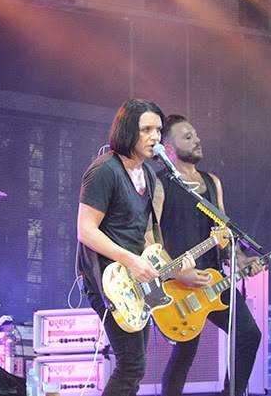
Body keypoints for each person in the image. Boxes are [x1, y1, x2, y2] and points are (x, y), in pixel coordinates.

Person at [76, 99, 196, 396]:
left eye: (158, 130)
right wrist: (130, 260)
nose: (155, 137)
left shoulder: (150, 176)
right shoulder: (105, 171)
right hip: (107, 276)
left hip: (135, 277)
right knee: (131, 364)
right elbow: (86, 230)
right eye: (147, 130)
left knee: (135, 366)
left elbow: (145, 235)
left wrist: (171, 265)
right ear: (128, 130)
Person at [153, 114, 263, 396]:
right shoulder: (160, 185)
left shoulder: (212, 182)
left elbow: (223, 232)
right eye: (188, 137)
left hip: (213, 279)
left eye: (196, 134)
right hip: (177, 285)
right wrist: (180, 272)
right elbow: (150, 238)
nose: (197, 140)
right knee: (186, 351)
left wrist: (241, 259)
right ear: (168, 148)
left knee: (248, 335)